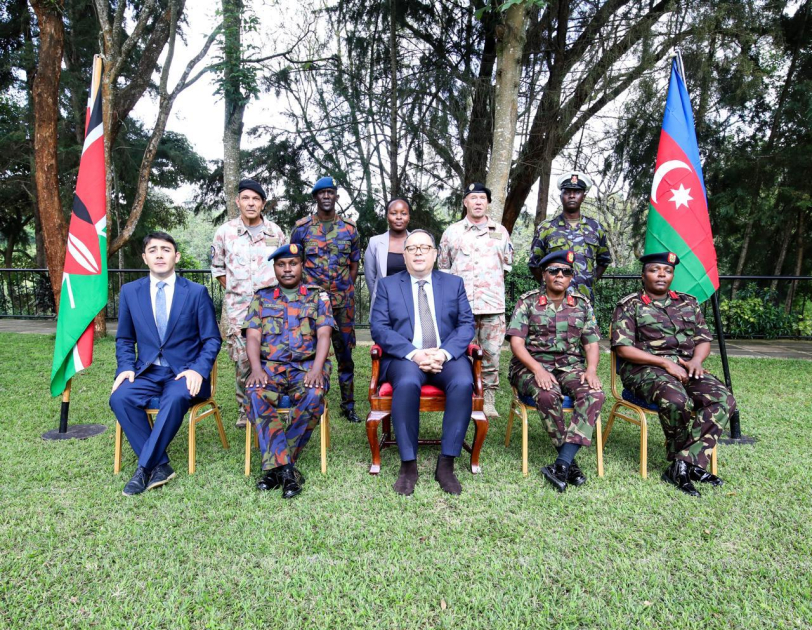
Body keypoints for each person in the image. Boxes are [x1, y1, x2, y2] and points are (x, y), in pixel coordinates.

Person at [611, 252, 735, 497]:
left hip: (687, 367)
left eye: (667, 271)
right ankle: (685, 464)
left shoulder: (688, 303)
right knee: (676, 400)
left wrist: (696, 361)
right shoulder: (630, 305)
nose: (661, 275)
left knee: (723, 399)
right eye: (654, 270)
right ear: (643, 275)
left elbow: (703, 339)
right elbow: (623, 349)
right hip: (644, 370)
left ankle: (684, 464)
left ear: (672, 275)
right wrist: (665, 363)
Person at [110, 232, 221, 496]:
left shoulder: (195, 292)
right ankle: (160, 465)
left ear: (176, 256)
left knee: (175, 398)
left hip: (184, 373)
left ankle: (143, 469)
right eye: (153, 250)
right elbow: (125, 338)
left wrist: (198, 370)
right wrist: (125, 367)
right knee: (120, 398)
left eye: (166, 250)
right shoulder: (130, 292)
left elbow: (212, 339)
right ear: (145, 257)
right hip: (147, 372)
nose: (159, 255)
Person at [370, 229, 476, 496]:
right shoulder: (387, 285)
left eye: (424, 248)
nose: (418, 252)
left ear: (435, 254)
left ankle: (446, 464)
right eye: (412, 248)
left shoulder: (453, 284)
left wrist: (443, 354)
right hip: (405, 357)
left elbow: (466, 325)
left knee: (463, 382)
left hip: (444, 355)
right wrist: (415, 354)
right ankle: (408, 465)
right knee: (406, 382)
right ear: (404, 256)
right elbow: (379, 328)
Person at [507, 250, 604, 492]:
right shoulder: (528, 302)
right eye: (554, 271)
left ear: (571, 277)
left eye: (566, 272)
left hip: (570, 366)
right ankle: (569, 463)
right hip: (530, 365)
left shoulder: (582, 304)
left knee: (594, 394)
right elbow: (516, 343)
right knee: (547, 393)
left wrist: (591, 369)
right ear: (544, 275)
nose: (560, 275)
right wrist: (538, 369)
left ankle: (562, 463)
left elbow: (591, 343)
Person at [243, 244, 334, 499]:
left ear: (301, 265)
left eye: (293, 263)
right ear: (274, 268)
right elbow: (252, 336)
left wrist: (317, 369)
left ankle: (277, 468)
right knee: (255, 393)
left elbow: (324, 334)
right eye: (281, 265)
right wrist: (256, 369)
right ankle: (287, 470)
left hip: (306, 366)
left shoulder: (317, 297)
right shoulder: (262, 298)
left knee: (314, 395)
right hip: (270, 367)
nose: (287, 269)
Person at [211, 178, 287, 429]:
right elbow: (218, 269)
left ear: (263, 203)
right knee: (243, 359)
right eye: (246, 198)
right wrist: (240, 291)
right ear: (238, 202)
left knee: (273, 353)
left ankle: (273, 403)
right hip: (240, 310)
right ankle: (245, 409)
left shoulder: (275, 232)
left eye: (256, 199)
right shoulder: (225, 232)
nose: (251, 203)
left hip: (272, 306)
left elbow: (285, 266)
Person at [438, 182, 513, 419]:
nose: (478, 202)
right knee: (460, 353)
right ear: (465, 202)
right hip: (461, 307)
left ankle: (488, 399)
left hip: (492, 306)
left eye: (482, 198)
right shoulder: (452, 232)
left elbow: (506, 267)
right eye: (473, 197)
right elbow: (444, 269)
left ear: (488, 203)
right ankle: (465, 395)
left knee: (491, 354)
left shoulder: (500, 232)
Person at [290, 176, 361, 423]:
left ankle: (348, 405)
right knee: (307, 352)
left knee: (345, 355)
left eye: (331, 192)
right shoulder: (302, 229)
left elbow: (353, 265)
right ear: (316, 197)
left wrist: (344, 288)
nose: (327, 196)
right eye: (322, 193)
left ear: (336, 196)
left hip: (343, 304)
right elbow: (294, 264)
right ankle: (308, 399)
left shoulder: (349, 229)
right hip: (312, 304)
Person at [528, 172, 611, 304]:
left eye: (577, 192)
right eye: (567, 192)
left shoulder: (595, 228)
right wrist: (548, 283)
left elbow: (604, 261)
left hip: (584, 300)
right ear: (561, 196)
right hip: (553, 301)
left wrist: (590, 280)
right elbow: (534, 263)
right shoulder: (546, 228)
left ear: (583, 196)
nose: (572, 196)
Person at [364, 197, 411, 314]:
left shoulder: (417, 241)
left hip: (412, 303)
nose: (399, 217)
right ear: (387, 216)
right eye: (393, 213)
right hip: (384, 305)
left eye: (404, 213)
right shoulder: (375, 242)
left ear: (409, 217)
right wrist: (380, 298)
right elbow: (370, 278)